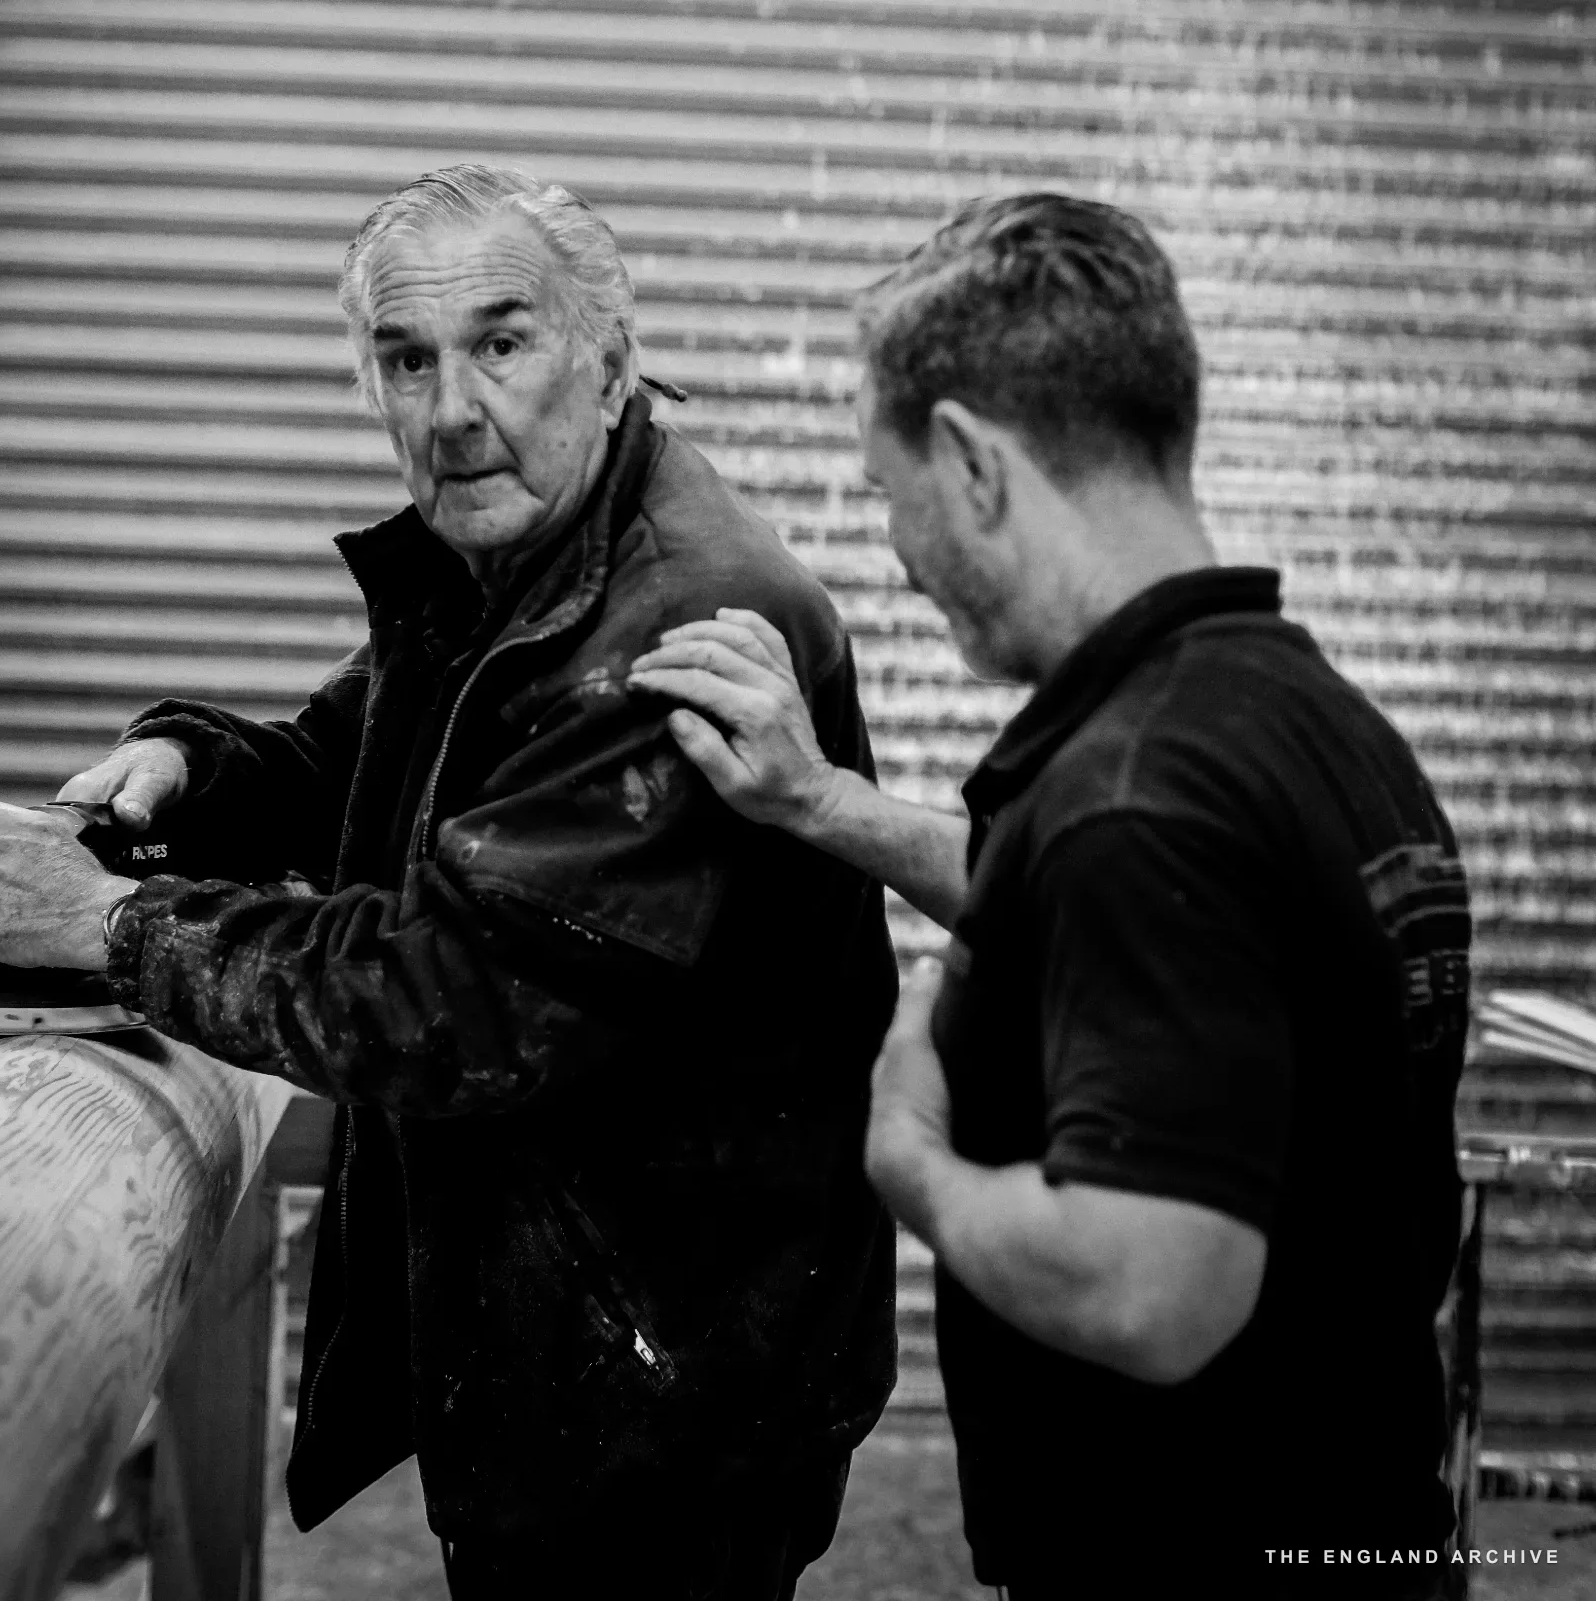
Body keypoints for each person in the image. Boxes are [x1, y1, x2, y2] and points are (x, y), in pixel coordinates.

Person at [0, 164, 899, 1601]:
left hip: (664, 1372)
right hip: (581, 1326)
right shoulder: (534, 547)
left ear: (609, 364)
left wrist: (99, 924)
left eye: (503, 344)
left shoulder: (668, 626)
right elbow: (354, 753)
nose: (449, 409)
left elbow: (455, 1000)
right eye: (405, 358)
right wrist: (193, 765)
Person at [629, 193, 1470, 1599]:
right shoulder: (1298, 719)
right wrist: (818, 802)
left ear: (971, 464)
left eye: (892, 496)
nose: (898, 550)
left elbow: (1149, 1294)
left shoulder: (1137, 797)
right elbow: (1153, 938)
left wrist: (913, 1165)